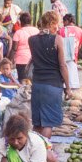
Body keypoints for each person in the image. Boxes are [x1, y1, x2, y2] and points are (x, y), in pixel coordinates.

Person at [28, 11, 69, 139]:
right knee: (48, 123)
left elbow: (33, 60)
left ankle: (34, 151)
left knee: (37, 122)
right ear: (52, 24)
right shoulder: (57, 39)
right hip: (52, 85)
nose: (58, 27)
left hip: (37, 84)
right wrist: (68, 87)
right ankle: (45, 152)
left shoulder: (32, 40)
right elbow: (62, 65)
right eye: (57, 24)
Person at [59, 13, 82, 89]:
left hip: (63, 58)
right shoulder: (80, 30)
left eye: (63, 22)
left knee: (64, 80)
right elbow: (80, 45)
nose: (63, 24)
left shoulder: (61, 30)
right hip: (74, 58)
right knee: (73, 81)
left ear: (67, 21)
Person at [10, 12, 39, 81]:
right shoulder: (37, 31)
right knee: (32, 81)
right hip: (34, 60)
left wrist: (9, 60)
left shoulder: (18, 32)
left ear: (20, 22)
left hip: (21, 60)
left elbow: (14, 49)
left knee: (22, 81)